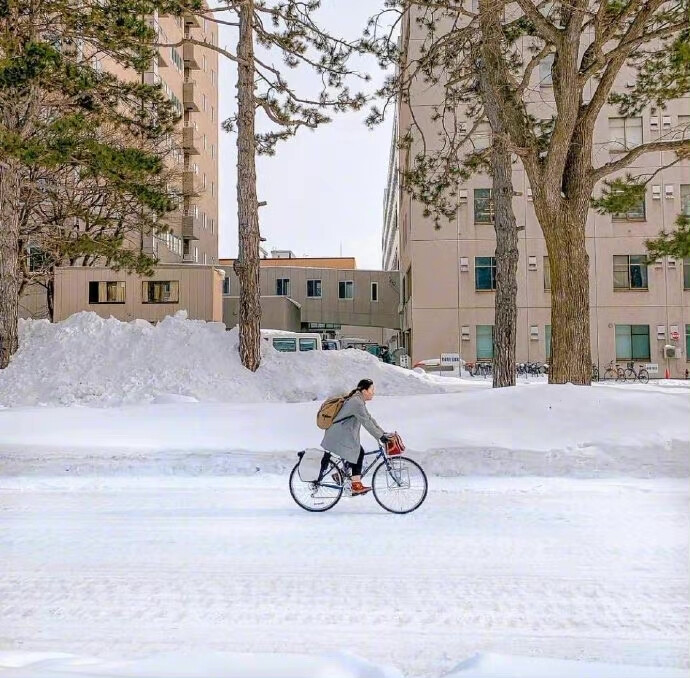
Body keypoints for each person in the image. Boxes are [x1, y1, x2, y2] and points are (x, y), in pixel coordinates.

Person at [320, 378, 389, 496]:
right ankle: (356, 485)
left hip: (341, 434)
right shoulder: (356, 402)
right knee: (357, 452)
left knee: (356, 452)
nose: (373, 392)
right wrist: (380, 437)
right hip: (338, 434)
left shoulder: (358, 401)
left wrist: (383, 433)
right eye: (372, 389)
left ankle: (340, 474)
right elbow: (366, 423)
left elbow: (369, 419)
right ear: (364, 390)